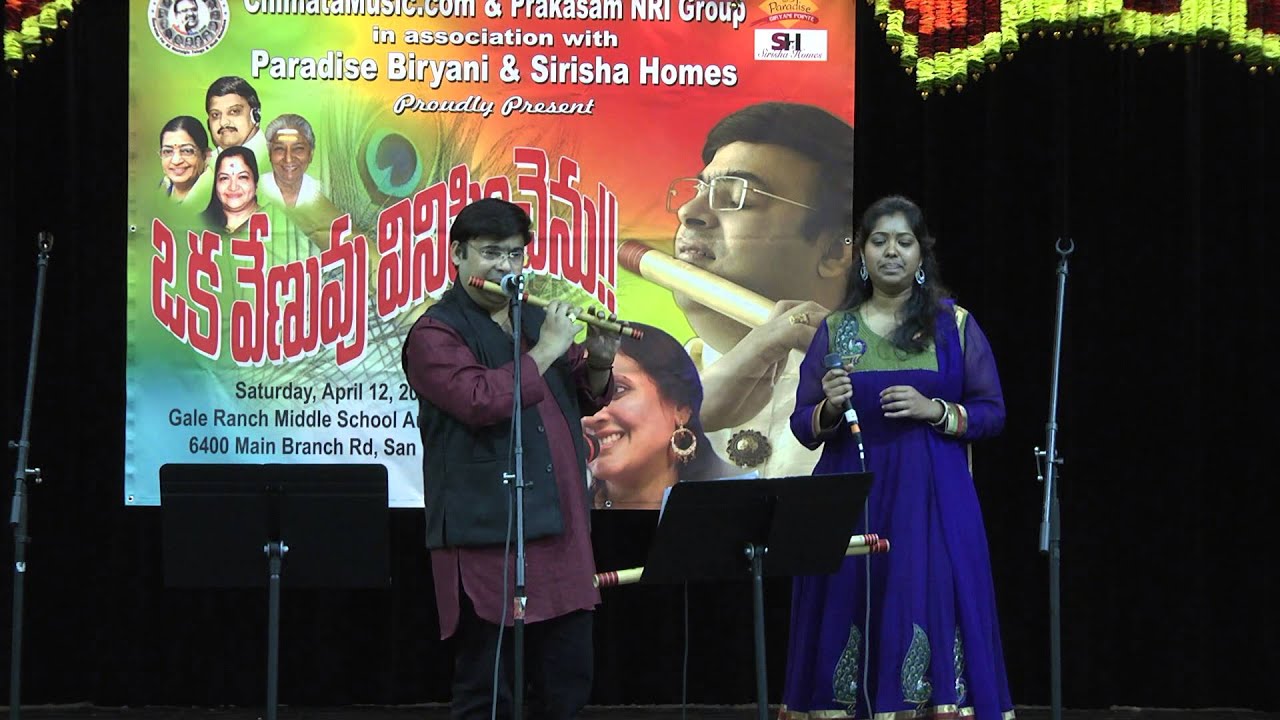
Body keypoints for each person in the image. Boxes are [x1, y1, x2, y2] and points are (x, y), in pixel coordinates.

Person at [780, 196, 1015, 719]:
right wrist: (829, 407)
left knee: (924, 598)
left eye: (904, 242)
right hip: (851, 499)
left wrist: (935, 410)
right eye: (880, 241)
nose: (892, 252)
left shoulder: (953, 327)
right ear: (862, 255)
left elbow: (992, 412)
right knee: (848, 603)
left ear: (920, 255)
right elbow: (801, 425)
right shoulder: (835, 329)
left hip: (931, 500)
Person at [401, 198, 618, 720]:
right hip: (490, 536)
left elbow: (582, 397)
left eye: (515, 254)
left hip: (561, 528)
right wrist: (546, 349)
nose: (505, 267)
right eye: (491, 253)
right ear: (458, 254)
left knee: (567, 683)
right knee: (488, 690)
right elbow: (480, 400)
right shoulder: (435, 333)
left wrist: (599, 362)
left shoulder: (533, 318)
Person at [667, 101, 855, 478]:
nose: (688, 211)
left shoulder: (888, 391)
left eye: (735, 197)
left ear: (835, 250)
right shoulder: (630, 391)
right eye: (699, 189)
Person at [583, 323, 740, 509]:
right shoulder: (561, 517)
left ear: (681, 408)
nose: (590, 416)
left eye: (617, 390)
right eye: (578, 394)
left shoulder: (738, 505)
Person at [259, 113, 326, 209]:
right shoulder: (252, 190)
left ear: (310, 154)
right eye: (280, 149)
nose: (288, 159)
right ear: (270, 153)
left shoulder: (324, 193)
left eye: (298, 149)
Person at [205, 76, 268, 164]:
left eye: (234, 111)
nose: (223, 122)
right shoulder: (204, 165)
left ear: (255, 115)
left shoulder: (279, 159)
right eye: (215, 115)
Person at [157, 115, 210, 203]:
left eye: (187, 151)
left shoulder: (221, 198)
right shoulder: (157, 193)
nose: (176, 161)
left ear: (205, 156)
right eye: (168, 151)